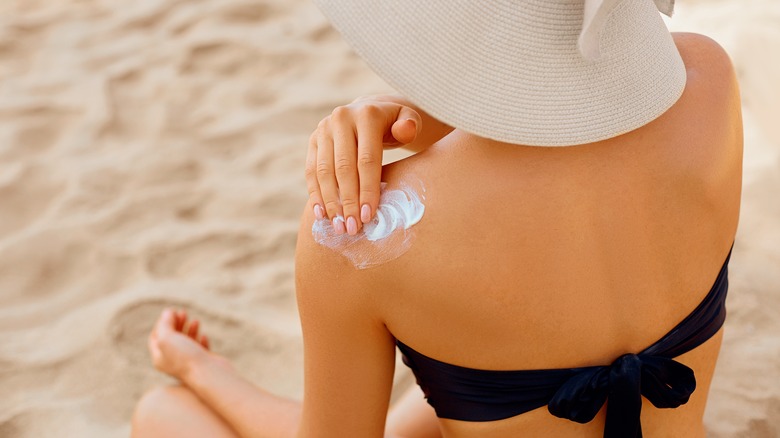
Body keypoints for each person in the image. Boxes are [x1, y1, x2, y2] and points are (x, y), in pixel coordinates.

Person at [131, 0, 743, 437]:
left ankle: (190, 377)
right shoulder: (709, 80)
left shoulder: (362, 234)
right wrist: (418, 119)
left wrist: (205, 373)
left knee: (162, 416)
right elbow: (576, 127)